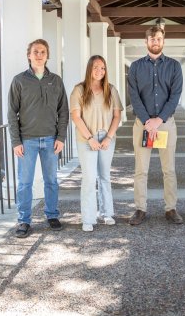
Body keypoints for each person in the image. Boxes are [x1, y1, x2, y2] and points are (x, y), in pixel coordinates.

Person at [8, 39, 69, 238]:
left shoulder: (56, 80)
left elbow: (64, 112)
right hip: (27, 141)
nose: (39, 54)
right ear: (29, 55)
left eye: (43, 51)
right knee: (25, 183)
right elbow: (11, 113)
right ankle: (23, 221)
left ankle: (52, 215)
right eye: (35, 51)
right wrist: (16, 141)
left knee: (51, 181)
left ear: (47, 55)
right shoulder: (19, 80)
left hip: (51, 140)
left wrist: (61, 137)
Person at [127, 26, 183, 225]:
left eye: (159, 38)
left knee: (169, 170)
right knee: (141, 170)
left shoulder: (175, 66)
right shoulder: (135, 67)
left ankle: (171, 209)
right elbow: (134, 96)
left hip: (166, 124)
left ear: (163, 41)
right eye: (152, 39)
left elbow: (175, 96)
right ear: (146, 42)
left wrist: (159, 120)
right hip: (142, 124)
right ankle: (140, 209)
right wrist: (147, 121)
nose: (155, 42)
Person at [70, 55, 123, 232]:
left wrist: (108, 137)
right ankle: (88, 218)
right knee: (89, 178)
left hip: (107, 137)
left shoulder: (111, 90)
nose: (99, 71)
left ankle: (107, 213)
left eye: (102, 67)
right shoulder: (79, 90)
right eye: (95, 67)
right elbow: (76, 117)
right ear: (89, 69)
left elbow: (117, 116)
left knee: (105, 176)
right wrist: (90, 138)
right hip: (87, 138)